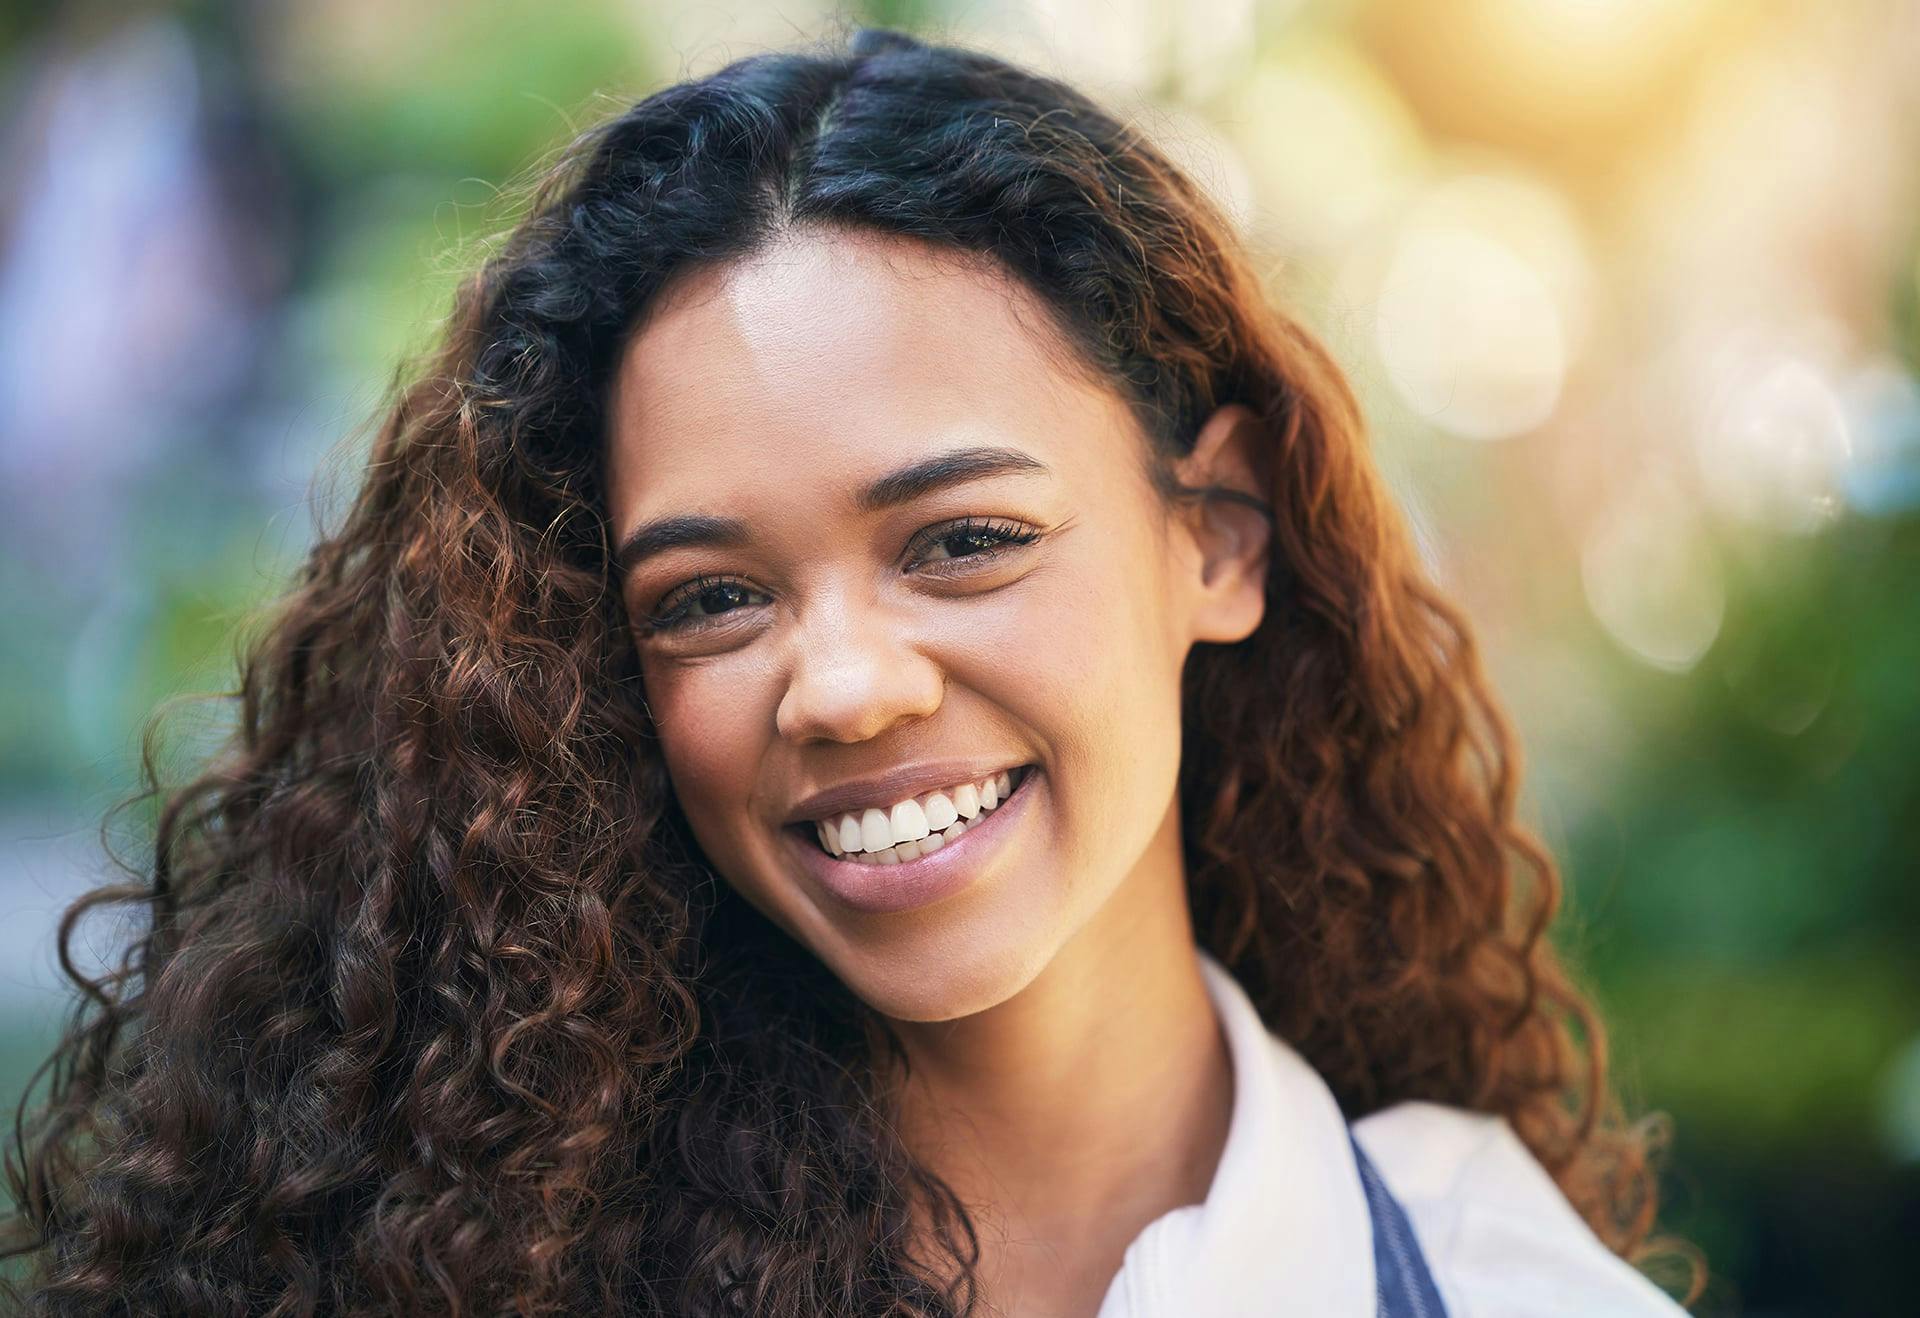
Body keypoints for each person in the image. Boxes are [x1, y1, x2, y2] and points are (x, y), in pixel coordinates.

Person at [3, 25, 1700, 1318]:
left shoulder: (1490, 1279)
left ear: (1223, 533)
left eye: (963, 540)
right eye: (714, 596)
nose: (844, 684)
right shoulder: (464, 1260)